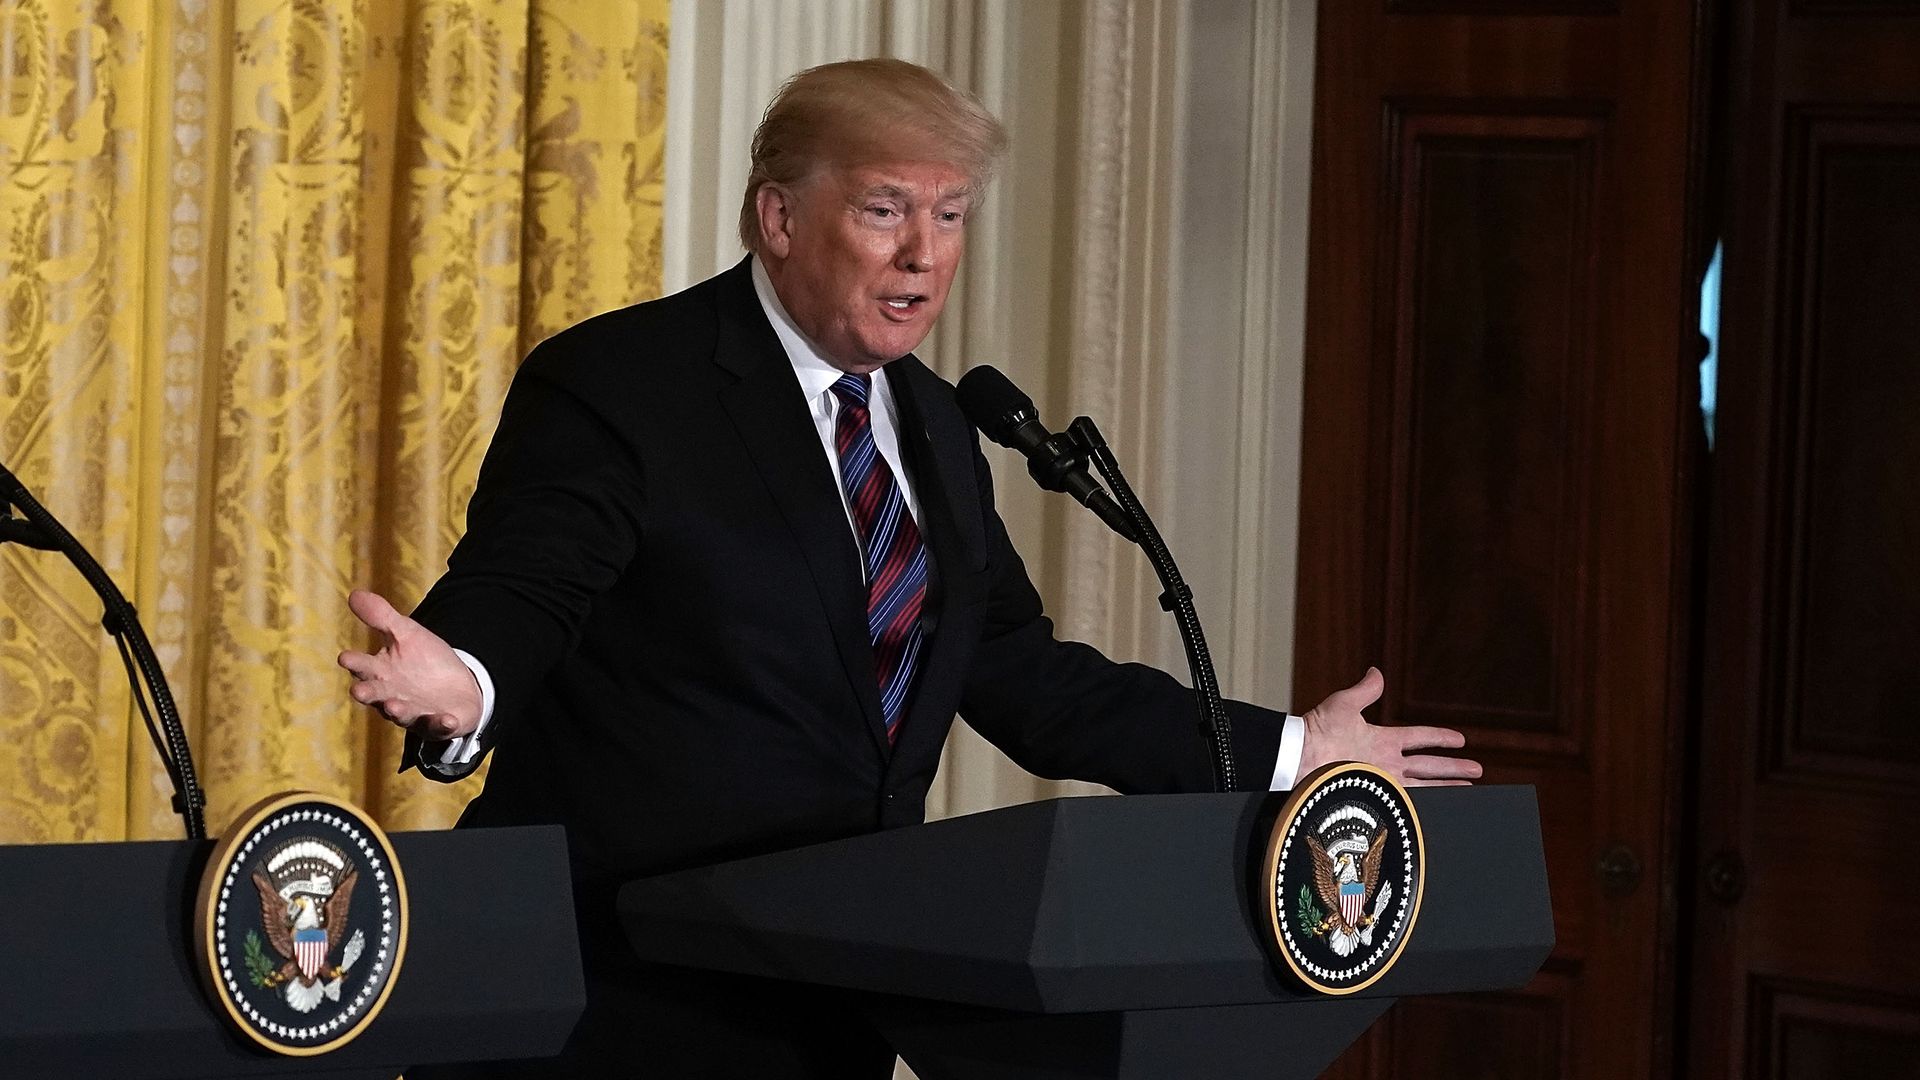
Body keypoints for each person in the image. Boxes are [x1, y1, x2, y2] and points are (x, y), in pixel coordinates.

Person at [339, 59, 1479, 1078]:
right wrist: (471, 683)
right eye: (885, 209)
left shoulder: (934, 426)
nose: (923, 254)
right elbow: (532, 584)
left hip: (828, 991)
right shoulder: (626, 386)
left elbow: (1023, 677)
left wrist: (1292, 751)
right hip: (610, 995)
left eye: (949, 214)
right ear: (778, 218)